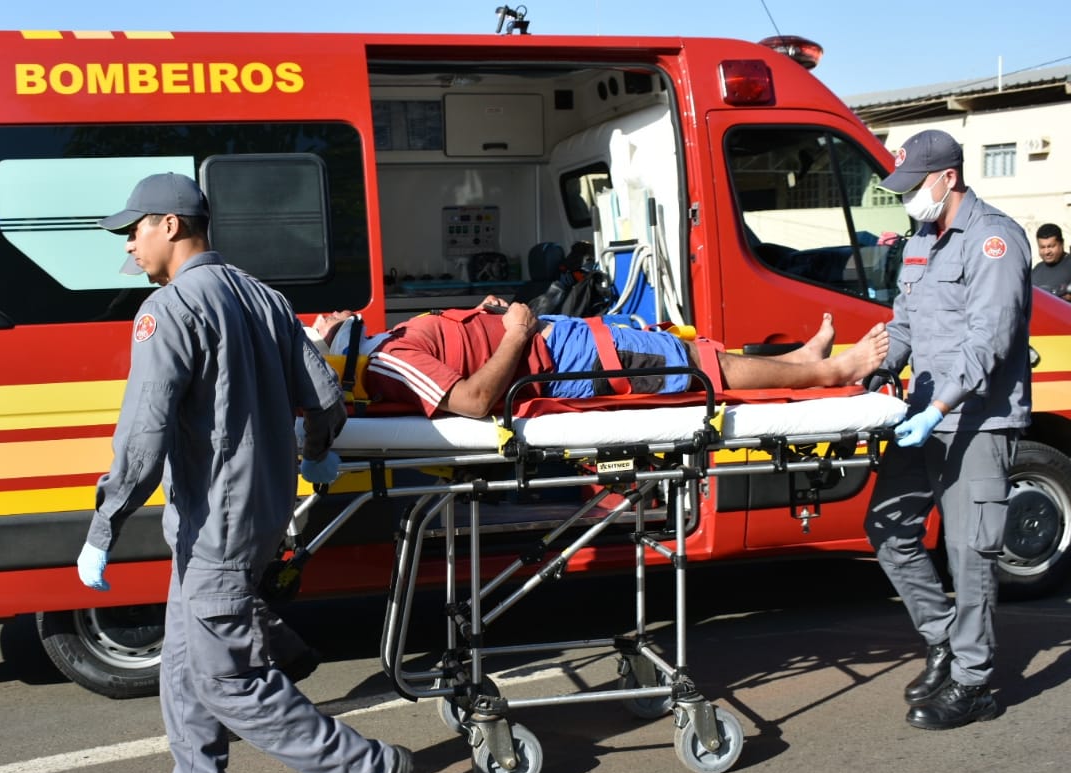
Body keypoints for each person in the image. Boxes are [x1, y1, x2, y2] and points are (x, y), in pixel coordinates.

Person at [74, 173, 413, 773]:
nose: (130, 245)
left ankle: (371, 770)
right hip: (256, 515)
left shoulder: (168, 311)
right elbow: (325, 404)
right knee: (181, 673)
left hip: (214, 531)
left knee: (228, 681)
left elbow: (142, 435)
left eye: (134, 229)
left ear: (171, 224)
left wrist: (103, 525)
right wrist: (314, 453)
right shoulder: (265, 298)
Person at [864, 129, 1031, 731]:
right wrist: (879, 366)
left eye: (915, 187)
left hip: (978, 419)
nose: (909, 199)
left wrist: (941, 407)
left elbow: (991, 340)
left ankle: (974, 683)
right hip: (924, 417)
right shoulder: (920, 241)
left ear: (949, 178)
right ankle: (944, 639)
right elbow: (905, 323)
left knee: (970, 552)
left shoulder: (994, 240)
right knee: (888, 529)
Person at [311, 298, 889, 418]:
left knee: (694, 352)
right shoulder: (387, 362)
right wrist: (515, 332)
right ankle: (834, 370)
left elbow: (461, 351)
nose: (326, 315)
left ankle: (800, 357)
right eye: (324, 325)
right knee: (699, 367)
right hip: (574, 356)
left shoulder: (391, 343)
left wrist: (487, 314)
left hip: (566, 340)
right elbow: (474, 401)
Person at [1031, 222, 1071, 299]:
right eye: (1042, 247)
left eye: (1051, 246)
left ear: (1062, 243)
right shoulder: (1036, 269)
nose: (1047, 252)